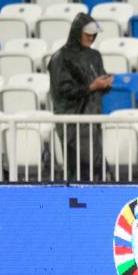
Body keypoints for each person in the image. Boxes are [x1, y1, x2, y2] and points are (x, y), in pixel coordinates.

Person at [48, 13, 112, 181]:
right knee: (78, 169)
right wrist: (92, 87)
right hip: (72, 123)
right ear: (77, 32)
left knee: (96, 170)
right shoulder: (60, 58)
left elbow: (98, 84)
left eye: (93, 35)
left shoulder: (94, 56)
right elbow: (64, 91)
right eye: (87, 34)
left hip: (92, 121)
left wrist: (105, 85)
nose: (91, 38)